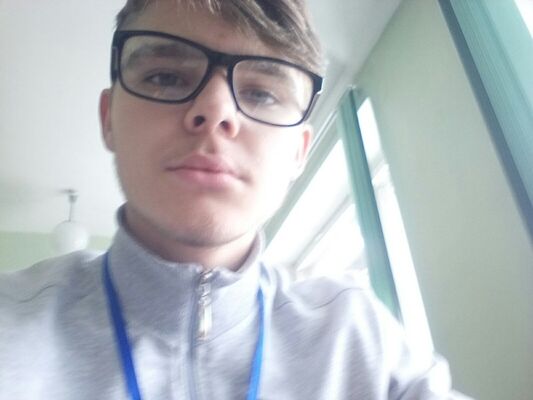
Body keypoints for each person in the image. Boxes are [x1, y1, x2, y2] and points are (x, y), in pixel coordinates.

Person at [0, 0, 472, 399]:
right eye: (165, 77)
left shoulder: (360, 339)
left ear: (299, 152)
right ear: (108, 119)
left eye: (262, 93)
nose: (214, 111)